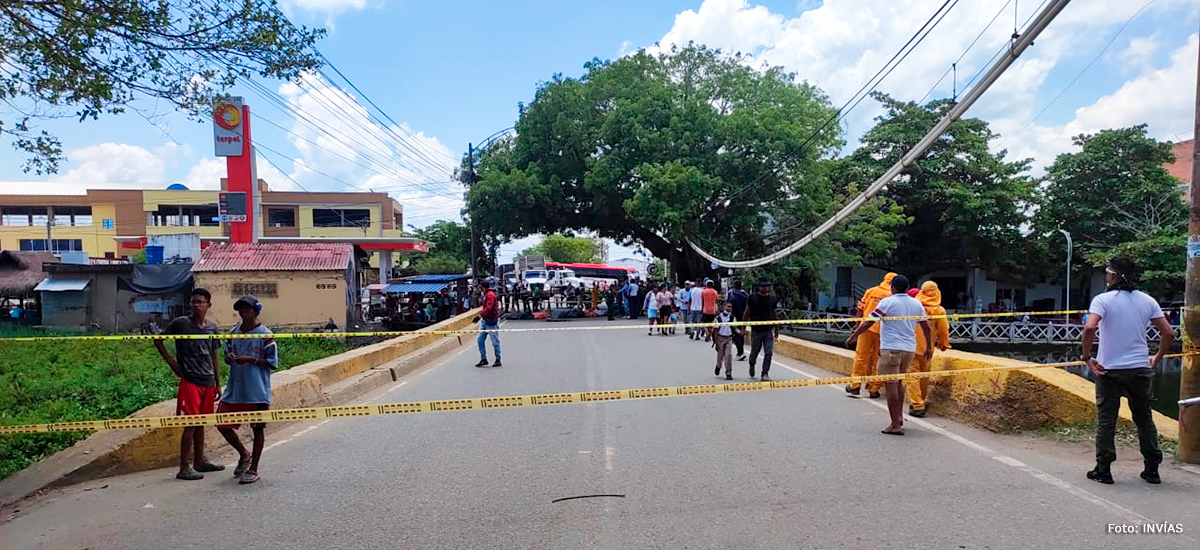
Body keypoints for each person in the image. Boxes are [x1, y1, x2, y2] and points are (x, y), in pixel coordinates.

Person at [1082, 257, 1172, 485]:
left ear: (1113, 275)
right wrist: (1157, 357)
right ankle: (1152, 469)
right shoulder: (1147, 301)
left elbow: (1090, 327)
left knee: (1107, 421)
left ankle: (1104, 470)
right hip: (1140, 369)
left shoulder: (1103, 300)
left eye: (1107, 272)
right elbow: (1169, 333)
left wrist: (1086, 357)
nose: (1106, 275)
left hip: (1109, 370)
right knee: (1144, 419)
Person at [845, 275, 932, 436]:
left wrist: (854, 335)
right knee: (898, 382)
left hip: (892, 348)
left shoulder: (887, 302)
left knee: (891, 384)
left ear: (892, 287)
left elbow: (869, 321)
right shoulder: (916, 303)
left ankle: (895, 424)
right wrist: (929, 347)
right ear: (906, 288)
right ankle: (898, 417)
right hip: (909, 350)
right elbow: (926, 327)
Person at [153, 288, 224, 481]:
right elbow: (157, 340)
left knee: (201, 423)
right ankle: (184, 466)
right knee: (190, 423)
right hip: (190, 380)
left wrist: (218, 383)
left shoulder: (211, 328)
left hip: (207, 381)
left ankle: (199, 461)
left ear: (208, 305)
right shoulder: (181, 324)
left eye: (200, 302)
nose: (196, 305)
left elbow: (214, 356)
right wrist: (173, 363)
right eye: (193, 302)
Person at [216, 295, 278, 485]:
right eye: (241, 309)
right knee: (221, 422)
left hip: (257, 390)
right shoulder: (233, 333)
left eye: (247, 309)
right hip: (235, 388)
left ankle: (254, 468)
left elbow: (272, 363)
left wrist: (249, 359)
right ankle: (244, 454)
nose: (244, 313)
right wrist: (231, 358)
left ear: (256, 311)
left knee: (257, 428)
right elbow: (226, 355)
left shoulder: (265, 335)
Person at [846, 272, 896, 399]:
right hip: (884, 332)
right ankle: (874, 387)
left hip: (867, 328)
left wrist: (857, 327)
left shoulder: (871, 291)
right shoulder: (892, 296)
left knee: (861, 357)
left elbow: (860, 309)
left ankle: (855, 385)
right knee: (877, 359)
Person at [905, 281, 950, 418]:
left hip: (910, 346)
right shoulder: (939, 310)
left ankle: (917, 404)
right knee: (924, 375)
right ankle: (920, 401)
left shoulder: (913, 306)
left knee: (912, 376)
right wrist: (943, 344)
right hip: (928, 348)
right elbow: (943, 330)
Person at [743, 277, 778, 380]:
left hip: (768, 330)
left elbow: (774, 314)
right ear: (758, 287)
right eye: (763, 286)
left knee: (769, 352)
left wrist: (776, 329)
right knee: (755, 350)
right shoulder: (752, 298)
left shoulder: (772, 299)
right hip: (757, 330)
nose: (765, 288)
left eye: (767, 286)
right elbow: (747, 313)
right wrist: (743, 327)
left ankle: (765, 373)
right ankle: (752, 362)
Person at [474, 278, 502, 368]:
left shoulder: (490, 295)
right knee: (480, 340)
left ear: (482, 287)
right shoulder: (486, 294)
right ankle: (483, 359)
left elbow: (488, 308)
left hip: (491, 320)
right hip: (485, 320)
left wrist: (480, 316)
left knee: (494, 341)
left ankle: (498, 359)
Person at [712, 301, 741, 380]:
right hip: (720, 338)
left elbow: (735, 328)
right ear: (723, 307)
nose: (729, 309)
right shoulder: (718, 318)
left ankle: (728, 373)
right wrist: (716, 342)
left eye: (730, 307)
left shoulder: (732, 318)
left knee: (728, 356)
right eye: (727, 306)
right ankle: (718, 366)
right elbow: (716, 331)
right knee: (720, 356)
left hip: (729, 338)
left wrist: (740, 332)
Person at [727, 280, 750, 361]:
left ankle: (740, 352)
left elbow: (728, 304)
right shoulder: (745, 294)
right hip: (743, 317)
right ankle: (740, 351)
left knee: (735, 334)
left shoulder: (731, 293)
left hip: (734, 317)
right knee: (741, 333)